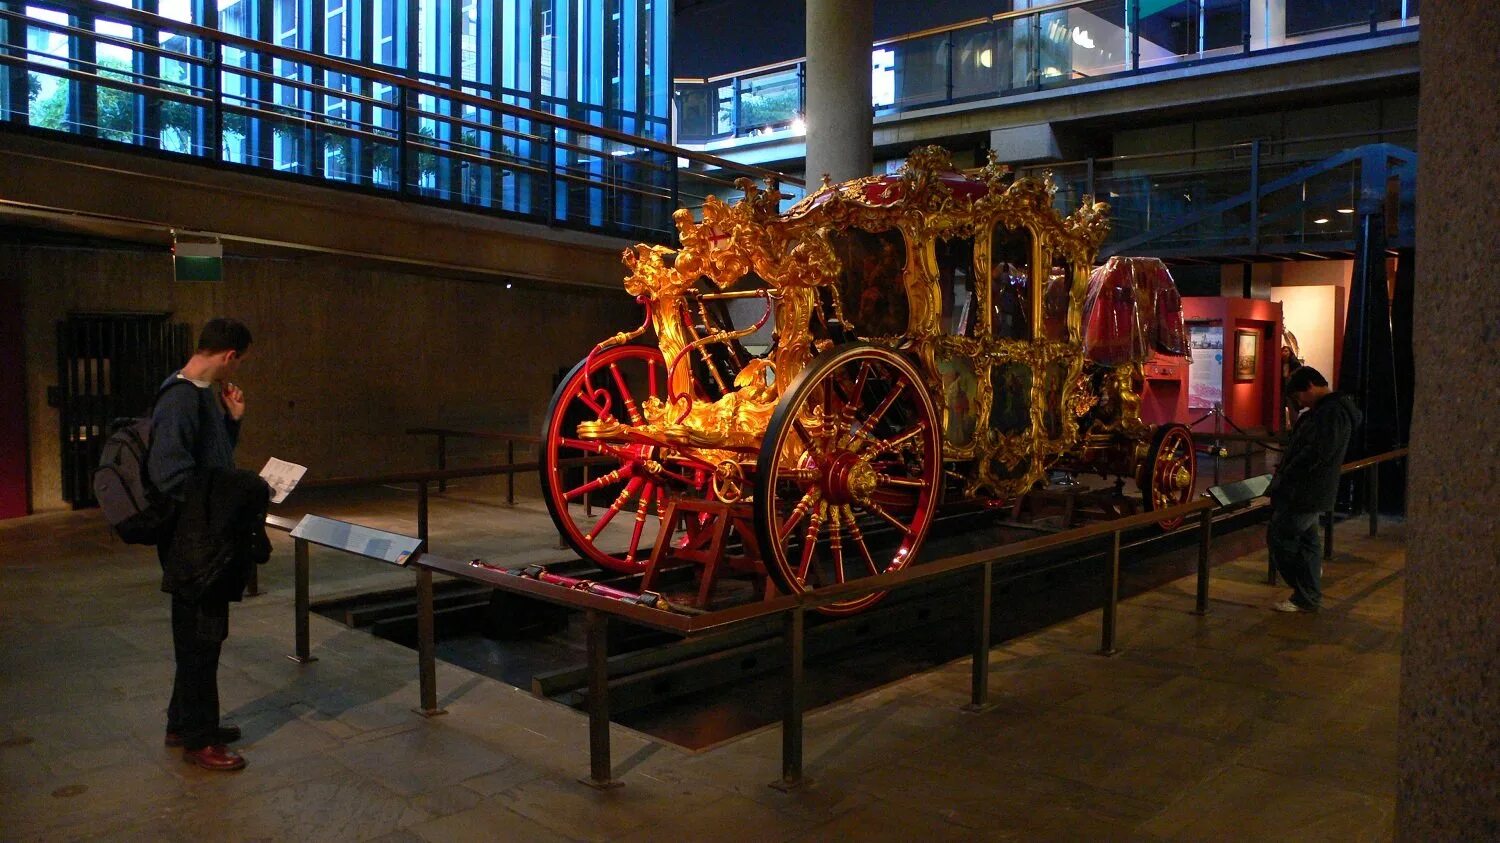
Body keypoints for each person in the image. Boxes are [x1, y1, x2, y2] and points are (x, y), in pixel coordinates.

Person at [149, 318, 270, 771]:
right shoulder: (181, 398)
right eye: (237, 363)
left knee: (199, 634)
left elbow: (211, 460)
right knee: (201, 637)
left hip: (204, 533)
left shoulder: (200, 396)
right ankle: (199, 740)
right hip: (194, 540)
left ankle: (183, 721)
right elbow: (170, 474)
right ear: (230, 356)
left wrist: (233, 423)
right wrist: (231, 495)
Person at [1265, 365, 1362, 613]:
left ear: (1310, 386)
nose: (1300, 403)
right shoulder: (1329, 411)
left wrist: (1289, 471)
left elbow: (1317, 452)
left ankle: (1307, 590)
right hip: (1311, 490)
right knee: (1308, 540)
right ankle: (1308, 591)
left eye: (1299, 397)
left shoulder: (1331, 413)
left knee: (1281, 536)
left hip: (1306, 491)